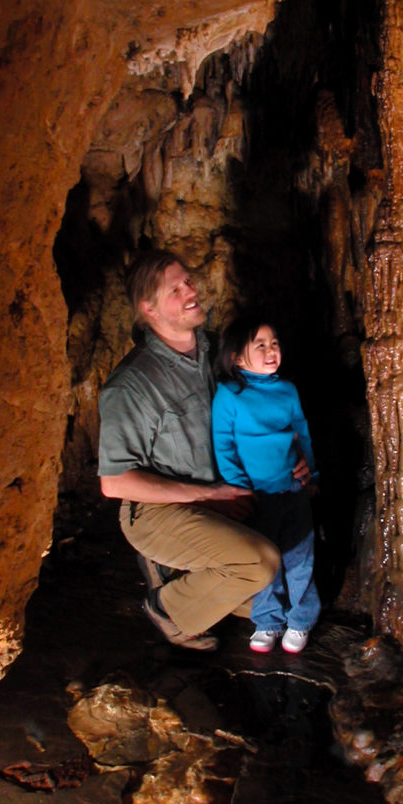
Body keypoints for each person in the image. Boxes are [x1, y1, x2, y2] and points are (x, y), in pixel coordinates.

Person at [98, 251, 281, 649]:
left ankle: (187, 573)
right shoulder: (131, 385)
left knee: (280, 600)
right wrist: (210, 496)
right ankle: (168, 608)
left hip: (217, 492)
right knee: (260, 563)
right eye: (175, 290)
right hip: (157, 511)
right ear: (149, 309)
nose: (190, 291)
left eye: (188, 282)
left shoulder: (215, 352)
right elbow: (115, 483)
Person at [211, 316, 321, 654]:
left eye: (274, 343)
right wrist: (238, 487)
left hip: (291, 490)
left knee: (299, 558)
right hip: (257, 496)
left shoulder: (288, 391)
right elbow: (223, 444)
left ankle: (301, 620)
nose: (270, 350)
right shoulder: (229, 395)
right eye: (259, 345)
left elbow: (302, 433)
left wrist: (312, 475)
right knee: (265, 562)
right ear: (236, 358)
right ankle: (268, 621)